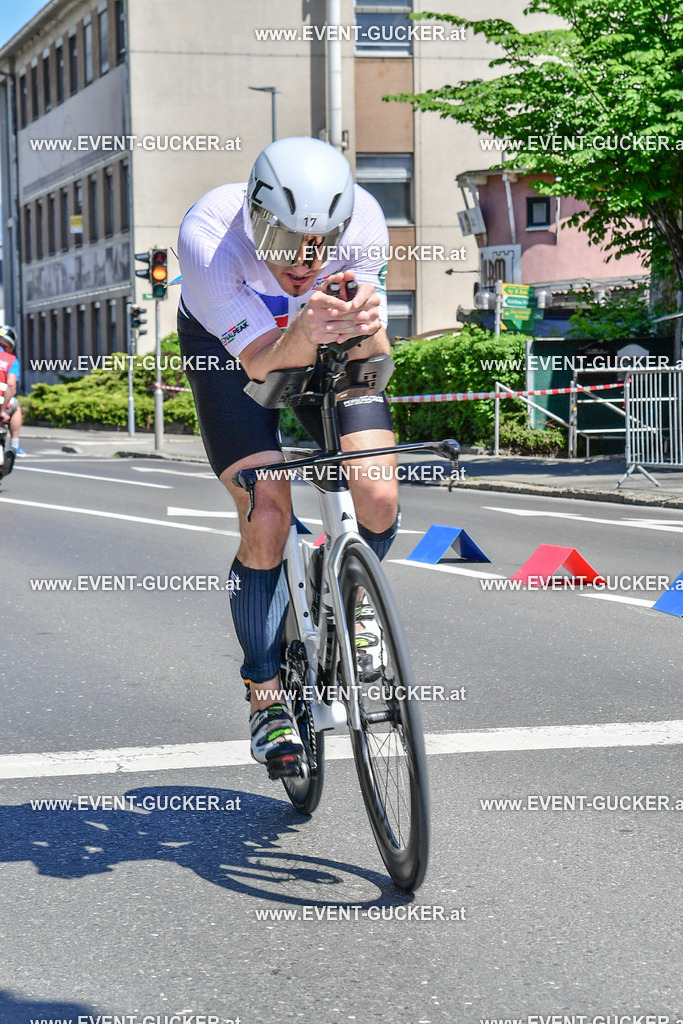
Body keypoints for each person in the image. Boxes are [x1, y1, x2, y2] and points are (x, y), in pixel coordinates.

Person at [177, 136, 399, 777]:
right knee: (268, 513)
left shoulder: (365, 223)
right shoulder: (210, 236)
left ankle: (348, 592)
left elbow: (375, 356)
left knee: (378, 494)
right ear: (255, 219)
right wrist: (300, 328)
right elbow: (259, 363)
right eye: (283, 245)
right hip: (231, 354)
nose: (303, 264)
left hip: (325, 337)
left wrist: (367, 321)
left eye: (321, 244)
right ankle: (265, 693)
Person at [0, 326, 23, 458]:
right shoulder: (11, 360)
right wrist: (2, 410)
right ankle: (15, 445)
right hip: (1, 402)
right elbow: (11, 384)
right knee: (16, 408)